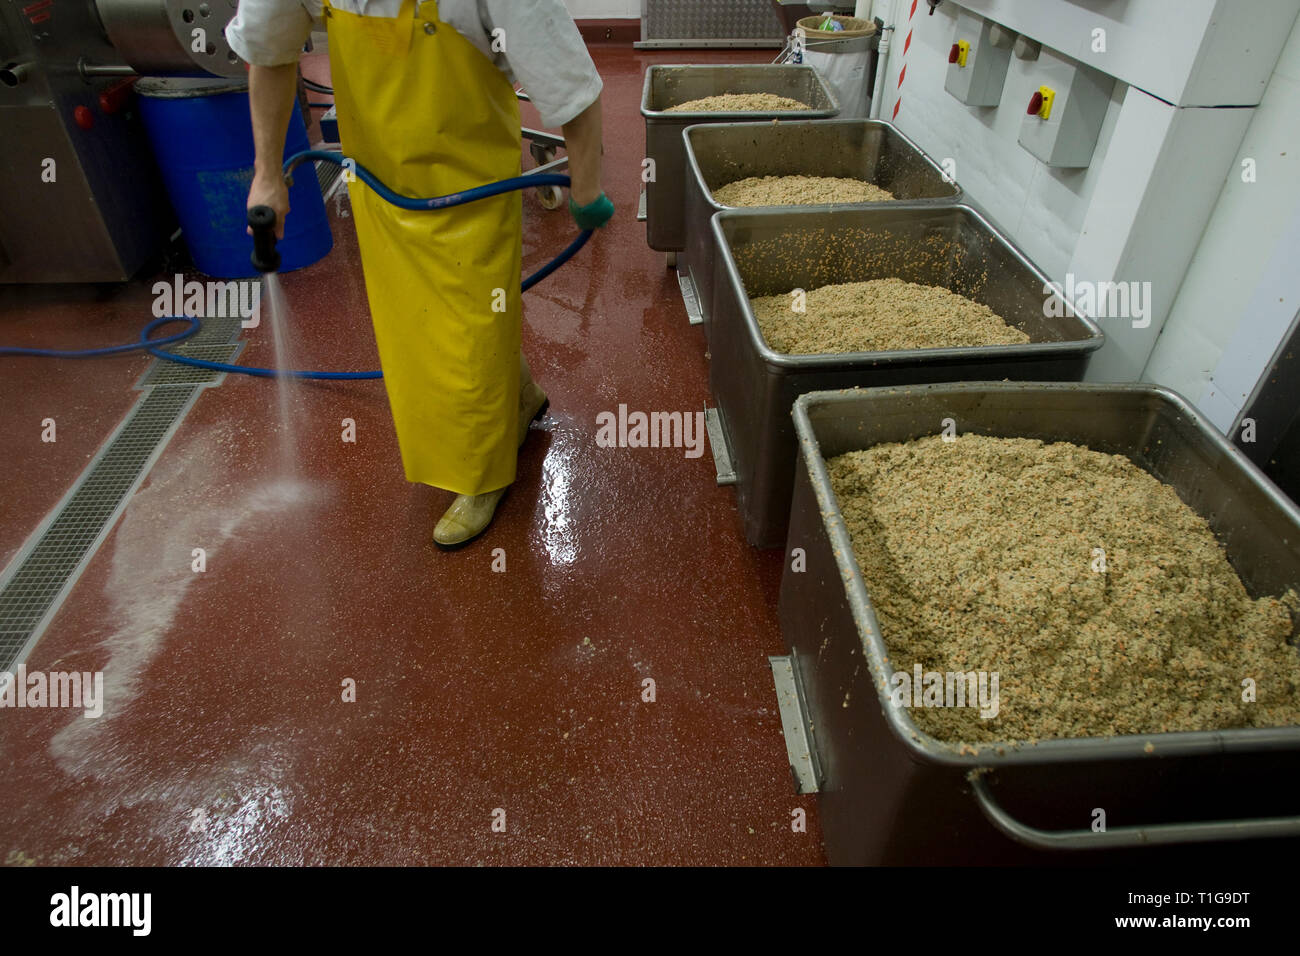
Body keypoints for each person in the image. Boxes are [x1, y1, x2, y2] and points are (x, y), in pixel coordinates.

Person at [226, 0, 614, 548]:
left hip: (471, 184)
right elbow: (267, 51)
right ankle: (520, 396)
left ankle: (482, 476)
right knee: (414, 324)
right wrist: (267, 175)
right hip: (380, 184)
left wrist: (588, 185)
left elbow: (567, 79)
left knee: (469, 328)